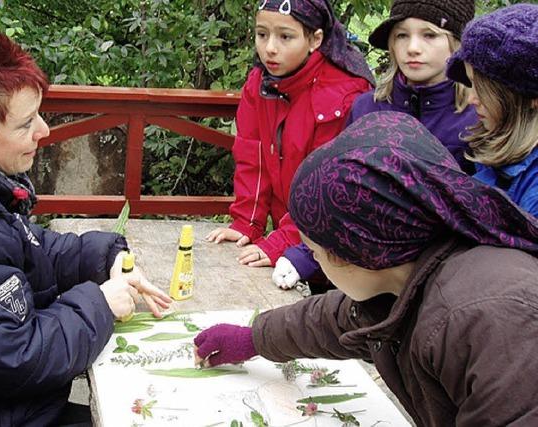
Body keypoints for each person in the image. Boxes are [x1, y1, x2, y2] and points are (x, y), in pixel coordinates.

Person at [195, 111, 538, 426]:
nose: (313, 260)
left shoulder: (491, 321)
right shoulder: (404, 277)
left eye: (313, 252)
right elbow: (337, 319)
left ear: (348, 252)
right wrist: (253, 337)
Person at [0, 31, 171, 426]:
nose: (43, 131)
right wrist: (102, 304)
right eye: (26, 124)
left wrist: (107, 257)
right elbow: (16, 359)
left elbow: (27, 248)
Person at [273, 0, 479, 292]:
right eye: (402, 35)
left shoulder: (476, 118)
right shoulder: (367, 107)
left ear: (457, 43)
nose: (413, 48)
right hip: (359, 279)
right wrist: (304, 256)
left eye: (429, 35)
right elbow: (336, 195)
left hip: (442, 280)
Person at [206, 0, 374, 268]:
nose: (270, 48)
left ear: (315, 39)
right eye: (262, 34)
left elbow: (327, 185)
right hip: (289, 240)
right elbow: (252, 157)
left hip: (337, 252)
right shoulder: (259, 84)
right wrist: (247, 222)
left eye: (286, 37)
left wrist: (283, 241)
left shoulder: (343, 95)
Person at [446, 3, 538, 216]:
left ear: (532, 97)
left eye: (483, 88)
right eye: (470, 83)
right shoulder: (495, 149)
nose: (471, 99)